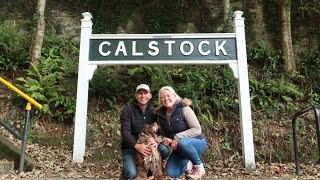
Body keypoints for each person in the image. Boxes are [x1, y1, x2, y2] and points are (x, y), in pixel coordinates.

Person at [155, 86, 207, 179]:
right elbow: (162, 134)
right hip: (178, 149)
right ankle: (187, 164)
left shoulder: (184, 108)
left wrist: (177, 137)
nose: (166, 99)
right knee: (170, 174)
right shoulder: (160, 114)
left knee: (182, 142)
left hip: (196, 143)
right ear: (160, 100)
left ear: (175, 96)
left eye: (168, 95)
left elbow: (197, 129)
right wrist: (164, 139)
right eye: (162, 97)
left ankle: (198, 166)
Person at [119, 84, 169, 179]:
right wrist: (137, 146)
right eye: (140, 93)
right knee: (131, 174)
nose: (143, 96)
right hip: (131, 147)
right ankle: (130, 168)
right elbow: (125, 132)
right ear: (136, 95)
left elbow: (160, 131)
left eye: (145, 93)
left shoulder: (154, 112)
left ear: (149, 96)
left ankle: (153, 168)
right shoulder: (128, 110)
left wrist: (157, 141)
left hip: (149, 146)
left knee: (164, 150)